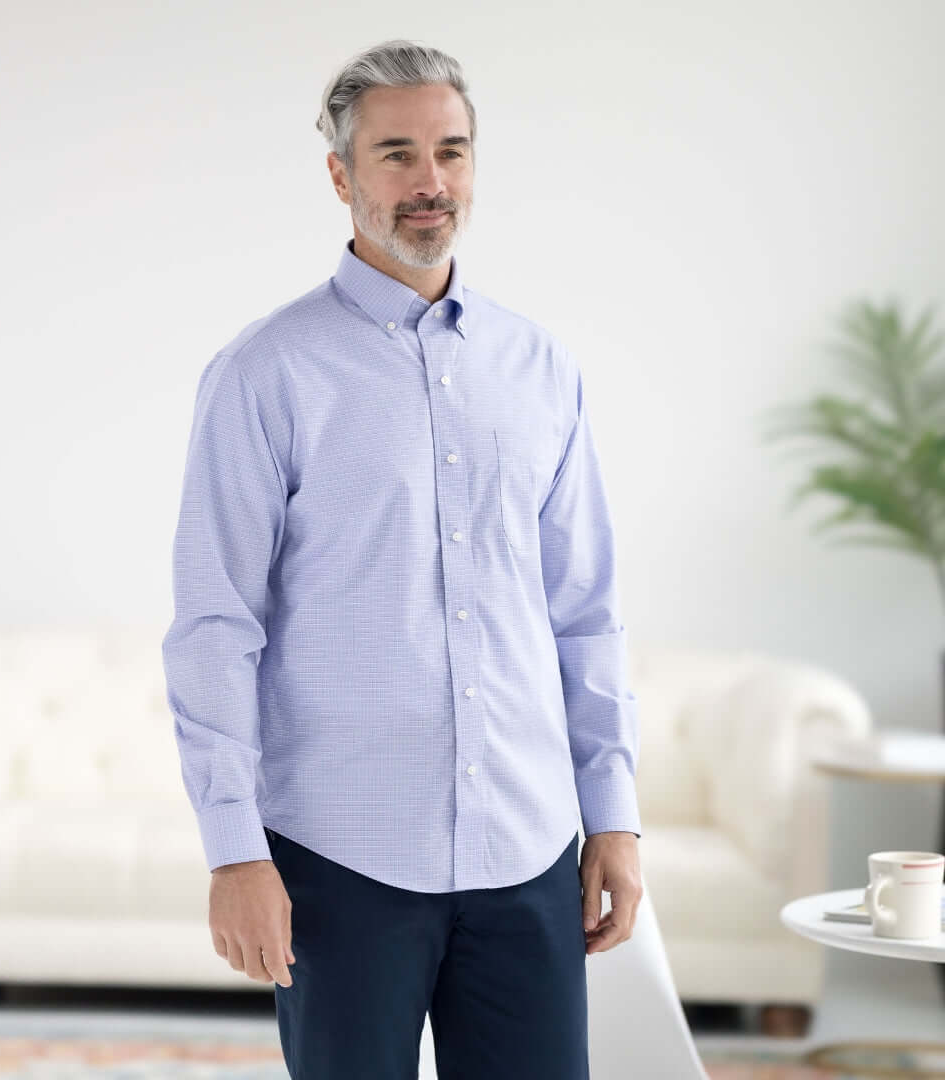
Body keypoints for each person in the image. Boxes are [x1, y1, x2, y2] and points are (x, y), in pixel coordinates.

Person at [161, 37, 643, 1080]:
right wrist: (235, 849)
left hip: (528, 851)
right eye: (397, 154)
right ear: (340, 174)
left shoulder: (540, 368)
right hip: (342, 861)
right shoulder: (265, 375)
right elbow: (214, 626)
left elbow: (586, 613)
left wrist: (614, 820)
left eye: (452, 152)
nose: (431, 182)